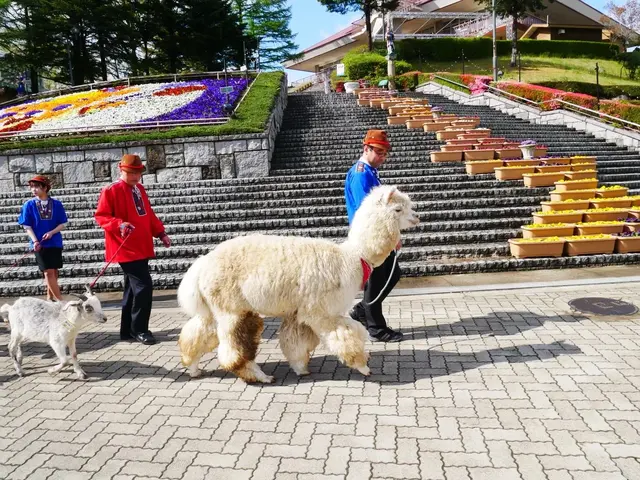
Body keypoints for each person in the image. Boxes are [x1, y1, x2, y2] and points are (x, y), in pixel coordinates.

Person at [94, 154, 171, 345]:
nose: (135, 177)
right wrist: (119, 224)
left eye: (138, 173)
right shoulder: (111, 190)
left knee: (132, 289)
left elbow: (149, 215)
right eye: (131, 173)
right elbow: (101, 216)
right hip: (125, 247)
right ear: (121, 170)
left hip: (142, 245)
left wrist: (160, 233)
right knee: (144, 287)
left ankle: (127, 330)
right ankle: (140, 329)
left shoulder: (140, 189)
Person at [345, 130, 403, 343]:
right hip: (371, 237)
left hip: (376, 236)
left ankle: (362, 311)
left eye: (385, 153)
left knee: (392, 274)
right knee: (377, 280)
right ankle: (376, 328)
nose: (382, 157)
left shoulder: (368, 171)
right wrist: (391, 236)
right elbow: (368, 210)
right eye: (379, 152)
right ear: (366, 148)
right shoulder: (361, 173)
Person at [18, 175, 68, 301]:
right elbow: (27, 226)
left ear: (45, 188)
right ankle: (61, 302)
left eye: (37, 187)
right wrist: (35, 241)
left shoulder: (56, 204)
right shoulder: (28, 205)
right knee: (48, 272)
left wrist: (52, 232)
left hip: (55, 242)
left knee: (54, 271)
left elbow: (63, 224)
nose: (34, 189)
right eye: (32, 187)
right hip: (39, 244)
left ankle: (49, 297)